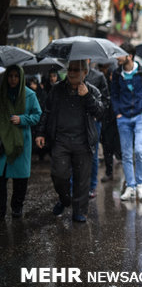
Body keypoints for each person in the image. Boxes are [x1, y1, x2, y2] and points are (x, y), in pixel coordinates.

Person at [35, 60, 104, 222]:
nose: (71, 73)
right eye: (70, 70)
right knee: (59, 175)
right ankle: (65, 199)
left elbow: (100, 112)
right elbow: (47, 111)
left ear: (85, 73)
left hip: (83, 141)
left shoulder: (92, 91)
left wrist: (86, 96)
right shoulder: (57, 89)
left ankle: (80, 211)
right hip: (61, 141)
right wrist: (40, 133)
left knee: (82, 180)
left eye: (75, 70)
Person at [111, 43, 142, 201]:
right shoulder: (117, 74)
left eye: (119, 54)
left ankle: (140, 185)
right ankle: (130, 187)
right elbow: (114, 95)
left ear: (129, 56)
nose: (117, 57)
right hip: (123, 118)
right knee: (126, 154)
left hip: (140, 117)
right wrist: (118, 113)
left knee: (139, 150)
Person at [0, 65, 41, 218]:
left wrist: (22, 119)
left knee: (20, 177)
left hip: (21, 140)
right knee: (1, 177)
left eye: (16, 76)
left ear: (21, 77)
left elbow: (37, 115)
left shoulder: (29, 95)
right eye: (10, 76)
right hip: (3, 140)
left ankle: (17, 206)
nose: (13, 79)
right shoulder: (1, 93)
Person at [85, 61, 110, 198]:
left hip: (94, 121)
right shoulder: (71, 75)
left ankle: (92, 186)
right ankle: (74, 186)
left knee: (93, 153)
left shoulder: (99, 76)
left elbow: (105, 100)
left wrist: (97, 116)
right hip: (77, 122)